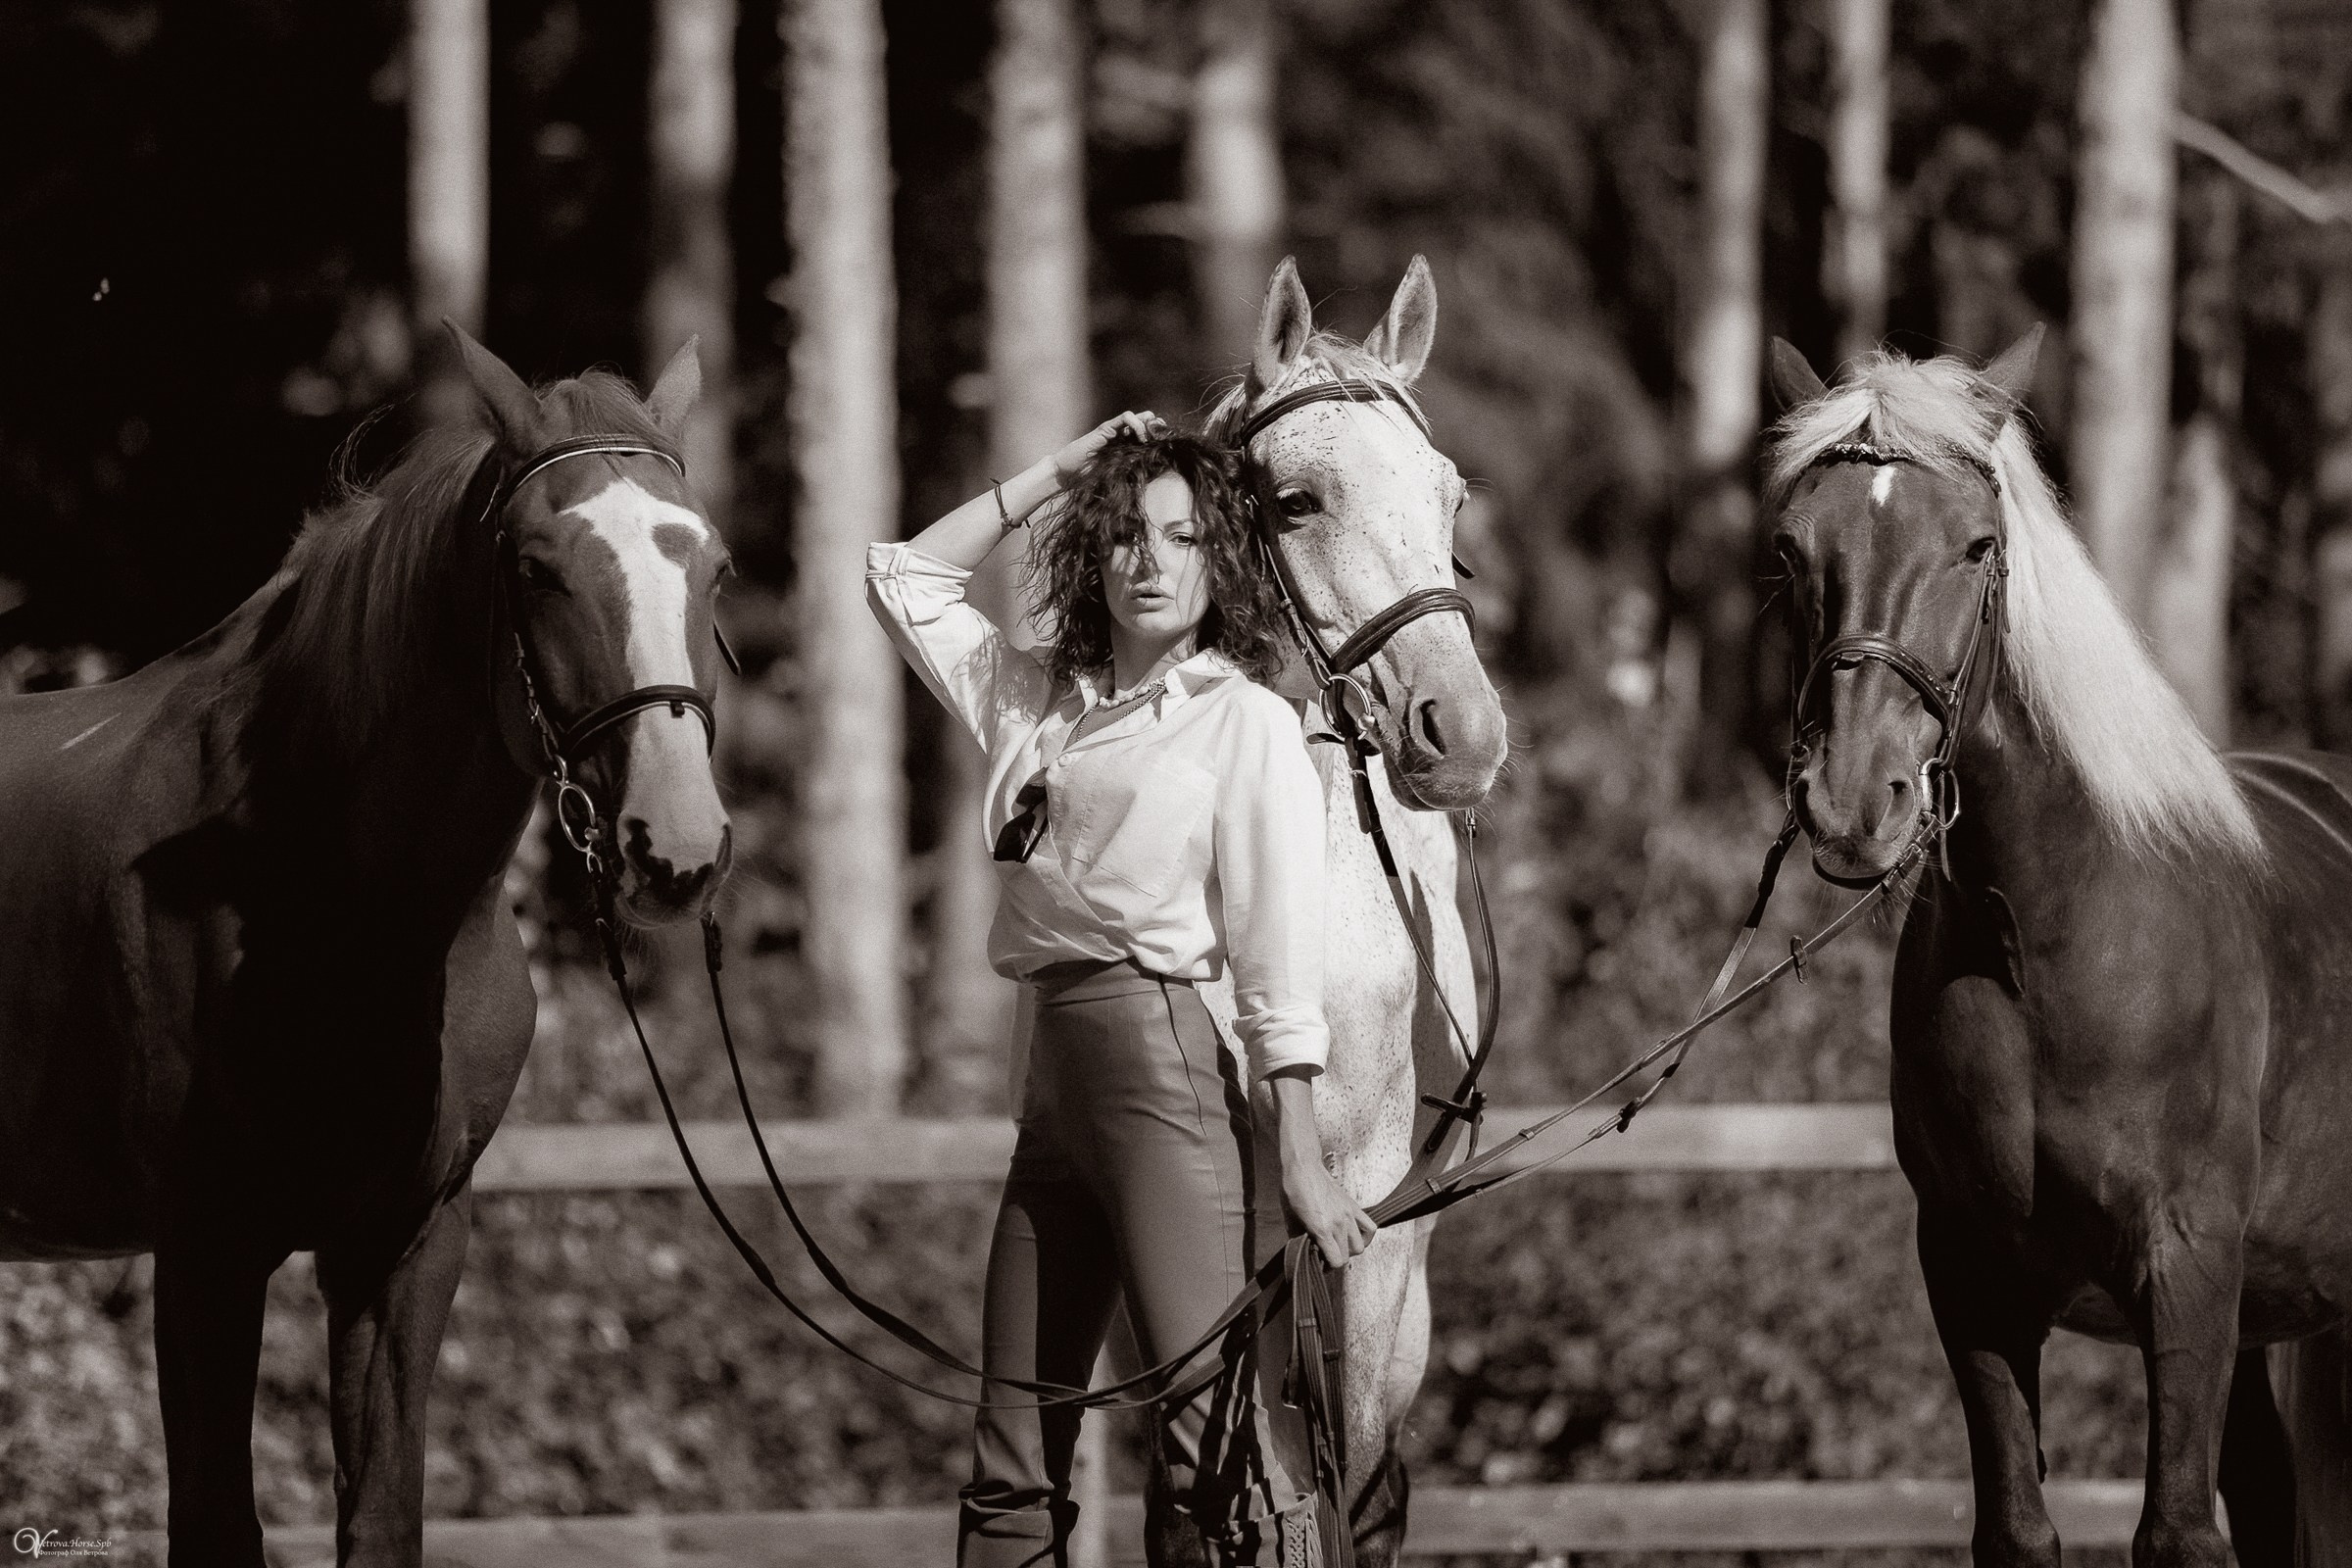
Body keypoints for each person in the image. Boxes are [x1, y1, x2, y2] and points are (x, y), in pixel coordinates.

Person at [866, 412, 1375, 1567]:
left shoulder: (1244, 719)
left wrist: (1296, 1142)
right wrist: (1062, 466)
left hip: (1165, 1074)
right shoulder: (1038, 704)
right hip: (1050, 1090)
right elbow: (900, 576)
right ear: (1094, 552)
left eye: (1183, 537)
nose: (1152, 561)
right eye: (1128, 536)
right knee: (1009, 1455)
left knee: (1208, 1440)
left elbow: (1274, 947)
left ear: (1220, 560)